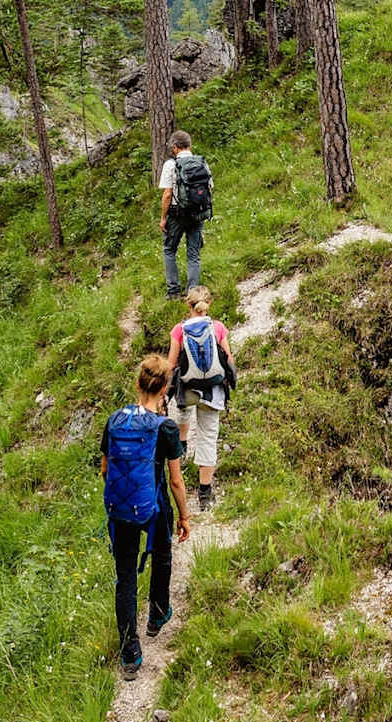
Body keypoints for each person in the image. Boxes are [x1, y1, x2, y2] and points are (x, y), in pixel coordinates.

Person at [100, 354, 191, 681]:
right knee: (162, 554)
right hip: (153, 507)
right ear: (164, 389)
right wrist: (185, 516)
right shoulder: (165, 427)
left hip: (122, 509)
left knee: (125, 578)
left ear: (138, 384)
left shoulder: (114, 420)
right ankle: (156, 614)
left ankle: (130, 655)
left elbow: (106, 469)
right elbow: (176, 481)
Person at [165, 285, 234, 512]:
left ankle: (182, 444)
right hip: (212, 390)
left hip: (188, 388)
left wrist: (166, 391)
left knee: (182, 410)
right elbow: (228, 361)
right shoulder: (218, 327)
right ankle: (205, 493)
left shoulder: (179, 329)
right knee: (208, 435)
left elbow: (171, 364)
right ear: (209, 304)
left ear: (188, 305)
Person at [159, 130, 213, 298]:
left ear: (175, 147)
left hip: (177, 214)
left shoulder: (171, 165)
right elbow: (210, 188)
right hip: (197, 213)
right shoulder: (202, 163)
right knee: (194, 254)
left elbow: (167, 194)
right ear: (189, 145)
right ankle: (193, 293)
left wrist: (163, 218)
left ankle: (173, 291)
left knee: (169, 250)